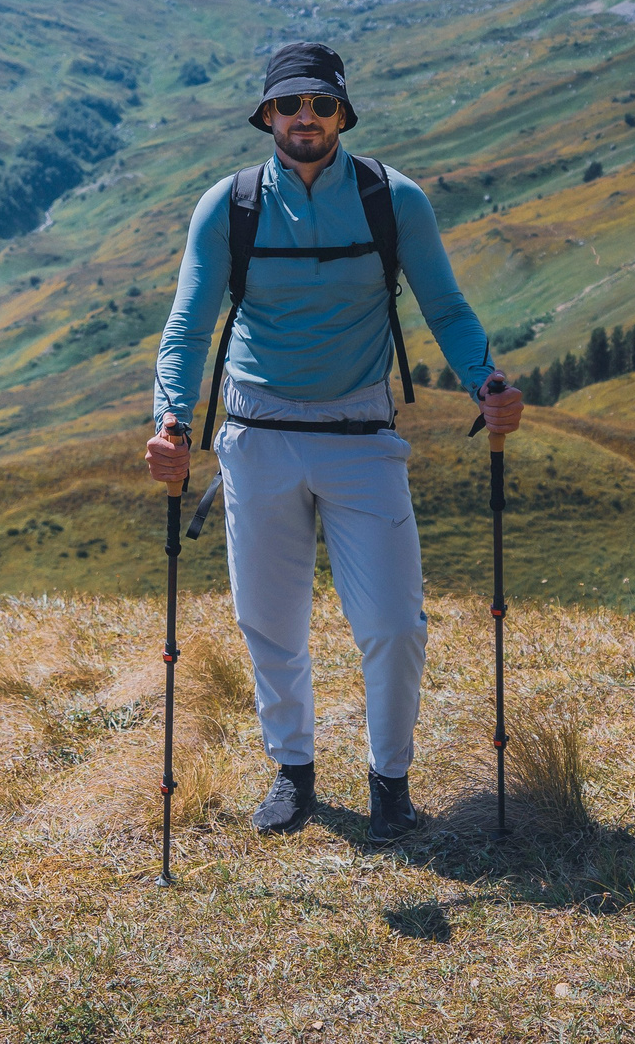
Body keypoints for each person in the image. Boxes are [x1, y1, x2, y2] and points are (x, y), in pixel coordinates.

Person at [145, 41, 523, 841]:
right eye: (289, 105)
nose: (304, 118)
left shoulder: (394, 200)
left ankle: (391, 781)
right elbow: (186, 326)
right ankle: (293, 771)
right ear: (267, 115)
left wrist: (487, 379)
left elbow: (446, 309)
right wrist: (171, 419)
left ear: (343, 112)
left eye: (319, 104)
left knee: (393, 620)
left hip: (361, 430)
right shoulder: (230, 205)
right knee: (268, 618)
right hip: (258, 432)